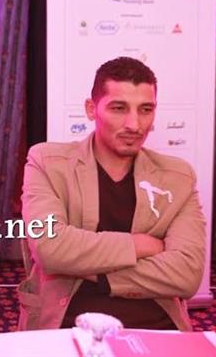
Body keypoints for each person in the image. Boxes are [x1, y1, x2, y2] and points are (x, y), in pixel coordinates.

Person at [18, 57, 205, 331]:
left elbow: (187, 275)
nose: (134, 124)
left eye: (146, 109)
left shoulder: (178, 177)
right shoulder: (48, 162)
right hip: (68, 325)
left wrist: (94, 272)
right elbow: (50, 248)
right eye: (119, 108)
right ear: (91, 109)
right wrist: (138, 246)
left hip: (158, 325)